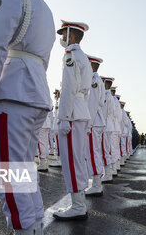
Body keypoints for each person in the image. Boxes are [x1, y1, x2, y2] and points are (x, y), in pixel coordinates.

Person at [0, 0, 55, 233]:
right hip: (35, 91)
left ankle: (24, 229)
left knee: (9, 176)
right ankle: (35, 227)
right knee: (26, 172)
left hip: (14, 93)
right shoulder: (45, 8)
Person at [53, 20, 92, 220]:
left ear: (73, 36)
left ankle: (78, 206)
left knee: (71, 160)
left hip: (72, 114)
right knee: (77, 159)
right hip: (80, 111)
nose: (62, 38)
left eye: (64, 34)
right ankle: (80, 202)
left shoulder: (71, 55)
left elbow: (68, 88)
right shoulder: (81, 56)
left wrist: (65, 117)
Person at [85, 55, 106, 196]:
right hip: (95, 121)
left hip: (93, 121)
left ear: (91, 66)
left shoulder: (93, 80)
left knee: (92, 153)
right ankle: (96, 182)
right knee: (94, 152)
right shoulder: (97, 80)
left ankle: (97, 185)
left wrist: (88, 124)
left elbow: (92, 104)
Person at [100, 76, 116, 183]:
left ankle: (108, 173)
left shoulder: (106, 95)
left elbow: (104, 112)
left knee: (105, 150)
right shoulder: (109, 95)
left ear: (105, 85)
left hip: (105, 124)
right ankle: (107, 172)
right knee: (106, 149)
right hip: (108, 124)